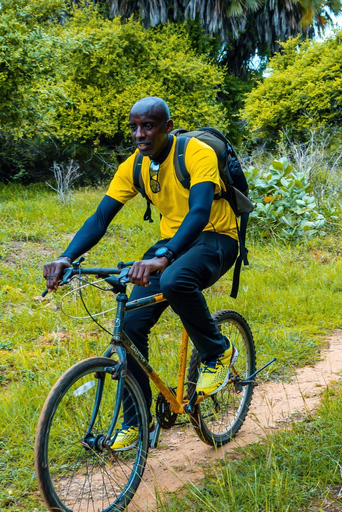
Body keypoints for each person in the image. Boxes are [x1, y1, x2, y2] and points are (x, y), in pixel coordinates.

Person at [43, 97, 239, 451]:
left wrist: (164, 255)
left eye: (147, 126)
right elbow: (100, 218)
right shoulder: (134, 166)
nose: (139, 134)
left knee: (175, 280)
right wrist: (66, 256)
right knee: (131, 327)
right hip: (173, 244)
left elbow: (198, 213)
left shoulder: (196, 153)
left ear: (166, 126)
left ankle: (217, 351)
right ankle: (138, 422)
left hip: (216, 239)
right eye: (133, 127)